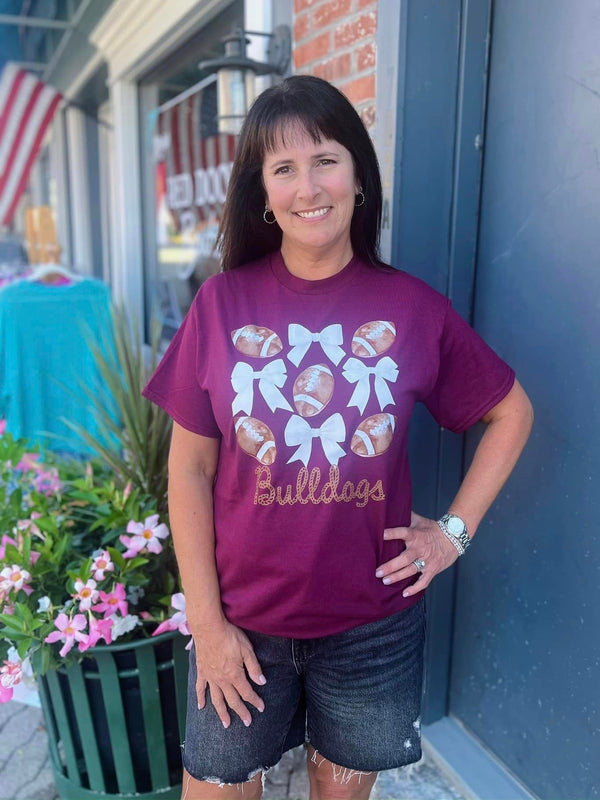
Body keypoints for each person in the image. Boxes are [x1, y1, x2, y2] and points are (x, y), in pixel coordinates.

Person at [143, 75, 533, 800]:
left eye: (325, 159)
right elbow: (189, 470)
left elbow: (511, 413)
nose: (308, 185)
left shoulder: (413, 309)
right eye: (283, 168)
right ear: (263, 192)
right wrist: (206, 620)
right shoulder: (221, 304)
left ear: (358, 175)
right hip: (242, 622)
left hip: (371, 631)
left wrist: (453, 532)